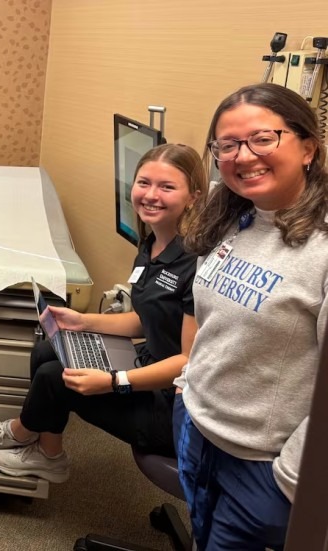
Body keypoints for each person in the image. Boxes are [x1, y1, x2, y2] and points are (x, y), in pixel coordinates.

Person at [0, 143, 207, 482]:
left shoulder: (196, 264)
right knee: (48, 349)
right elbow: (146, 319)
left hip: (174, 407)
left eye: (167, 187)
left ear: (194, 197)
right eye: (144, 183)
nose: (151, 195)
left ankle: (25, 431)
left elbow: (189, 361)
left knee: (55, 379)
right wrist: (81, 321)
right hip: (147, 363)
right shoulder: (153, 244)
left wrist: (114, 382)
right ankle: (48, 452)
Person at [174, 83, 327, 550]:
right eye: (228, 145)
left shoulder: (321, 248)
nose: (244, 156)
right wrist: (187, 387)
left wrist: (291, 481)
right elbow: (214, 326)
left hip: (265, 466)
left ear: (307, 148)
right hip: (200, 432)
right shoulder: (229, 216)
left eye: (264, 139)